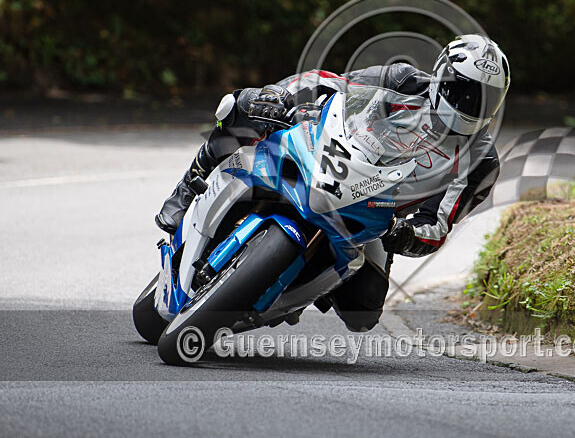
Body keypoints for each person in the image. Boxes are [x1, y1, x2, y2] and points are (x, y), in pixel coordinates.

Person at [154, 34, 510, 331]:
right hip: (333, 154)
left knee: (363, 311)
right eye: (463, 92)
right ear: (441, 77)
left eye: (483, 101)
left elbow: (438, 222)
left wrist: (406, 233)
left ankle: (294, 286)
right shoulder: (403, 81)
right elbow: (328, 81)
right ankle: (188, 186)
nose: (470, 106)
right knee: (241, 106)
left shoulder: (481, 160)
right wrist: (279, 96)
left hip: (377, 216)